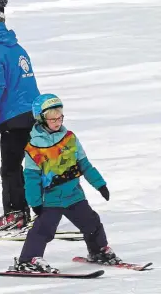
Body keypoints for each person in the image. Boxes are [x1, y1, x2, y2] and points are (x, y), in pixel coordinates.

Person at [11, 94, 121, 273]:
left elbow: (85, 165)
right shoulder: (33, 148)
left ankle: (98, 250)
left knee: (92, 223)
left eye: (60, 115)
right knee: (43, 230)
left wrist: (100, 184)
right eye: (52, 117)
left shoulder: (70, 138)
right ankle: (28, 259)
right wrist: (35, 203)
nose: (57, 121)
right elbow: (31, 179)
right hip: (51, 200)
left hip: (74, 195)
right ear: (40, 118)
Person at [0, 0, 40, 231]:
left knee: (10, 168)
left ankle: (15, 214)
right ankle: (36, 211)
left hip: (13, 118)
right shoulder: (17, 48)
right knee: (33, 167)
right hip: (33, 115)